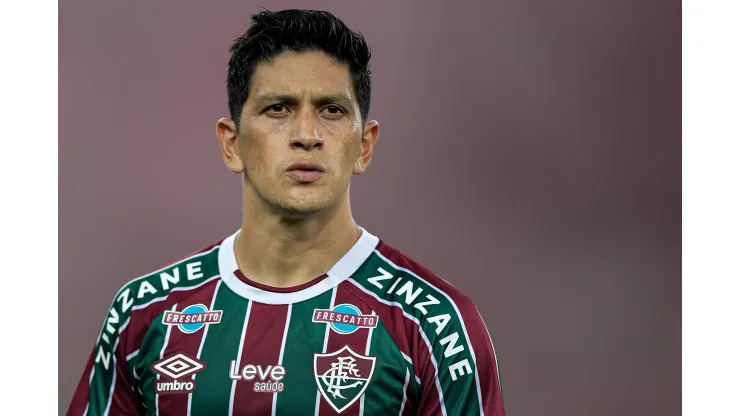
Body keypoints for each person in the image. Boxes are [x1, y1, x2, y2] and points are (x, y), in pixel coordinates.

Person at [66, 9, 506, 416]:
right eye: (278, 109)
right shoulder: (145, 312)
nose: (307, 135)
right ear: (231, 142)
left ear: (365, 146)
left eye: (332, 110)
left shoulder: (435, 324)